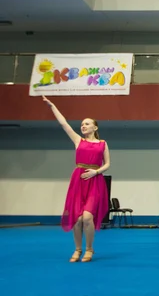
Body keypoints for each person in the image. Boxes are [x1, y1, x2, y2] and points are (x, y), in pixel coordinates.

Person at [42, 96, 110, 263]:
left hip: (95, 182)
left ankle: (89, 249)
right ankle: (77, 249)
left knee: (87, 217)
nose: (83, 126)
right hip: (78, 181)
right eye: (82, 124)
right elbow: (64, 123)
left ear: (95, 127)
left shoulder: (102, 143)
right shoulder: (78, 140)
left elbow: (108, 164)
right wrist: (52, 106)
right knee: (77, 219)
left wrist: (96, 172)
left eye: (87, 123)